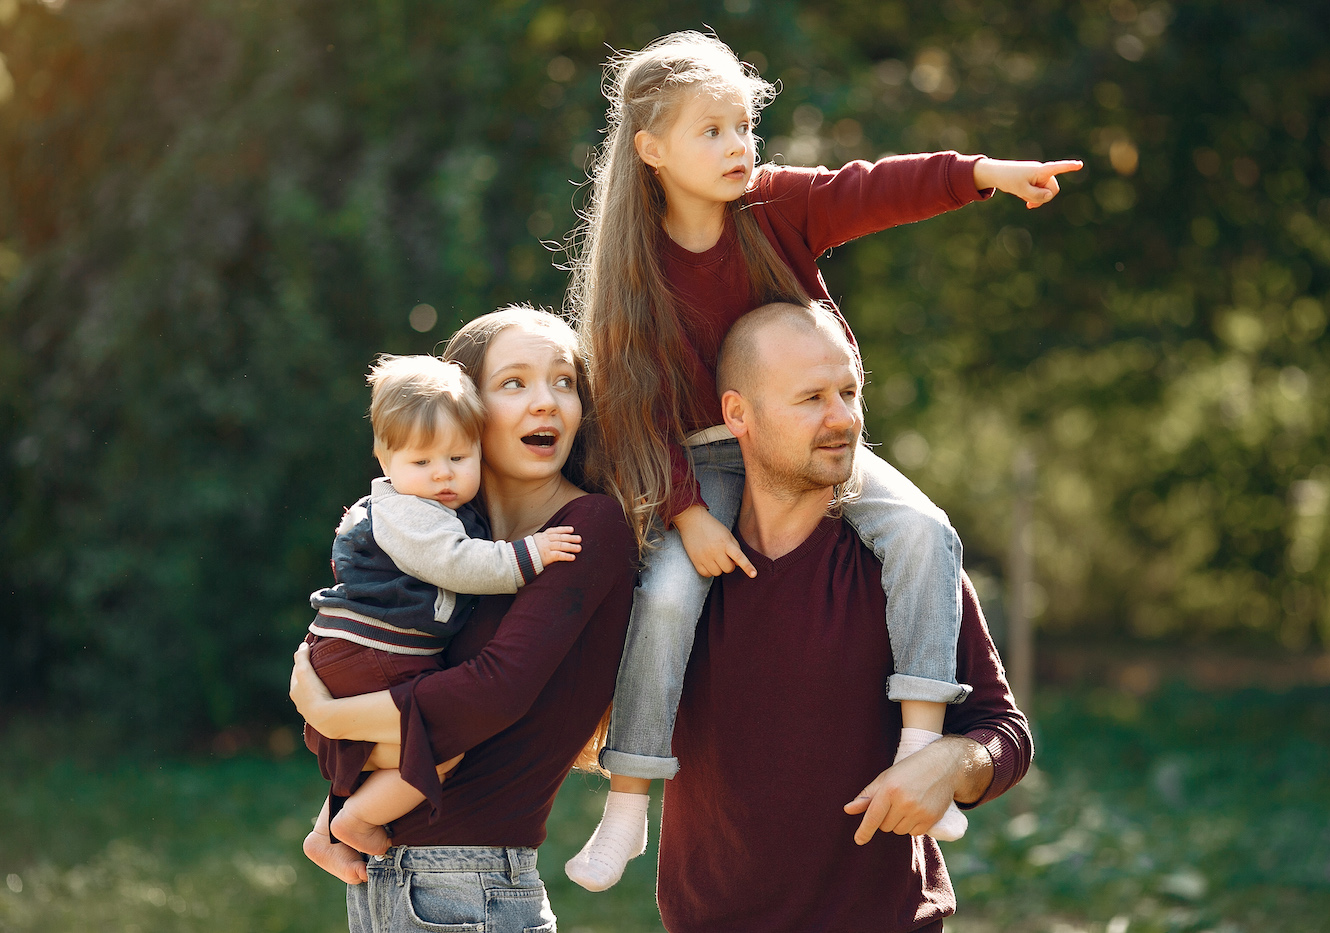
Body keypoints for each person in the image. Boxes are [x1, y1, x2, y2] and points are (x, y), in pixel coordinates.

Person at [565, 29, 1075, 890]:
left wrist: (982, 173)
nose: (737, 148)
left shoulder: (772, 210)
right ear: (651, 149)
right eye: (711, 132)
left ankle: (919, 744)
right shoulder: (634, 271)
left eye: (742, 127)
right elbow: (627, 404)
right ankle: (625, 807)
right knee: (667, 596)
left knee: (922, 528)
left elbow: (870, 188)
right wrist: (686, 509)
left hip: (803, 434)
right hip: (694, 459)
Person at [659, 301, 1033, 931]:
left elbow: (1004, 732)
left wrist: (949, 763)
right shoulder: (677, 575)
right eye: (811, 398)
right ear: (737, 414)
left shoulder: (910, 563)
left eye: (849, 392)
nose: (843, 419)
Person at [289, 306, 637, 933]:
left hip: (468, 885)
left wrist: (328, 715)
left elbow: (490, 693)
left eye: (564, 382)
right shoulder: (450, 542)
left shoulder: (588, 530)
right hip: (389, 878)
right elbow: (409, 684)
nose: (546, 402)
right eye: (514, 383)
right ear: (464, 410)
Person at [302, 353, 583, 857]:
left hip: (361, 647)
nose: (442, 476)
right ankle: (357, 821)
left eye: (458, 458)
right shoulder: (410, 514)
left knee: (389, 748)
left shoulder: (430, 504)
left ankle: (325, 832)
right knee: (440, 745)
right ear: (386, 463)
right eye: (422, 462)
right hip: (373, 649)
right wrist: (530, 553)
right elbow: (459, 564)